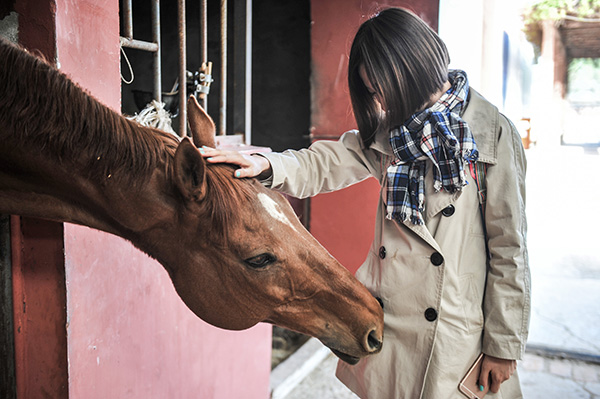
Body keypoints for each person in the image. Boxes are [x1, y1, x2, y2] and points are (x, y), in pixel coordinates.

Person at [200, 7, 530, 399]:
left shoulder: (493, 136)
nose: (381, 99)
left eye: (383, 86)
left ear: (414, 65)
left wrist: (503, 346)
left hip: (458, 332)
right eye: (373, 90)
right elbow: (323, 162)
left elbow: (509, 248)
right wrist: (265, 162)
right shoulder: (393, 135)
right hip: (395, 325)